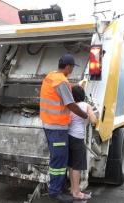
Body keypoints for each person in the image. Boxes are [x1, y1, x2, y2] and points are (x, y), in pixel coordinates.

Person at [39, 54, 88, 203]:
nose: (72, 70)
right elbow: (70, 104)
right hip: (57, 127)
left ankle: (57, 188)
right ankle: (55, 192)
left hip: (49, 125)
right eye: (72, 67)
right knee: (59, 161)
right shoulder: (62, 82)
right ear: (67, 67)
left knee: (58, 159)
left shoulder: (51, 76)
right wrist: (84, 114)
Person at [68, 85, 97, 201]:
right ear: (83, 95)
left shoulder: (70, 106)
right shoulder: (86, 105)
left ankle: (72, 189)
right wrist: (89, 118)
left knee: (70, 165)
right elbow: (94, 120)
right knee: (77, 166)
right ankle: (76, 192)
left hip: (67, 137)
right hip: (77, 138)